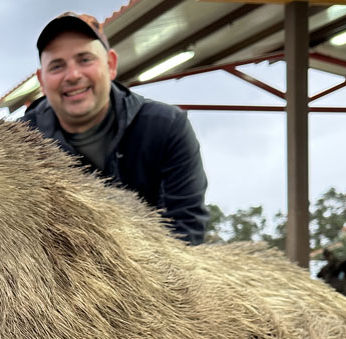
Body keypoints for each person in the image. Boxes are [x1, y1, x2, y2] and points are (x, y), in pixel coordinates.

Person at [23, 12, 209, 245]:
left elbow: (186, 230)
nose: (73, 75)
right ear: (41, 80)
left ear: (110, 65)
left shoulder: (167, 127)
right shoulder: (21, 146)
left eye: (85, 59)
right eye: (57, 66)